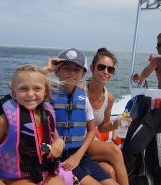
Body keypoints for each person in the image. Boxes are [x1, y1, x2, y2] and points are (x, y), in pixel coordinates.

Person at [0, 64, 66, 185]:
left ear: (45, 91)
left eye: (37, 88)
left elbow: (56, 139)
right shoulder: (4, 121)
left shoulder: (47, 115)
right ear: (14, 92)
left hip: (45, 173)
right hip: (17, 178)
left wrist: (60, 143)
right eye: (23, 89)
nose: (30, 94)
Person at [44, 48, 118, 185]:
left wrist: (78, 156)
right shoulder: (46, 93)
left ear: (83, 74)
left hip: (81, 155)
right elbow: (19, 86)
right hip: (59, 159)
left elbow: (91, 130)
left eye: (77, 70)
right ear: (57, 71)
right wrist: (46, 69)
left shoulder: (82, 97)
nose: (71, 73)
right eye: (66, 68)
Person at [86, 48, 129, 185]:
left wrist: (115, 124)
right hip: (78, 141)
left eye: (110, 69)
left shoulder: (108, 97)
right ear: (92, 68)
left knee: (110, 171)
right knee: (115, 151)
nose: (106, 72)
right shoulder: (80, 90)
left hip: (93, 143)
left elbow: (103, 127)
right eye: (101, 67)